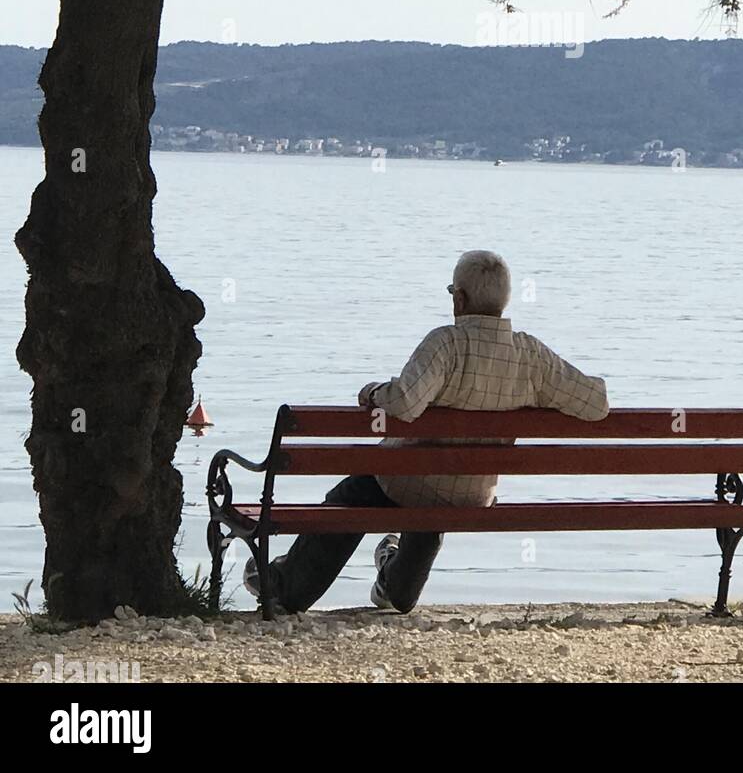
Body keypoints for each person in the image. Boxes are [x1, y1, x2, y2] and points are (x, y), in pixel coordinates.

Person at [245, 249, 609, 613]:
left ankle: (286, 587)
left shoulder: (446, 344)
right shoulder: (531, 355)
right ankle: (395, 587)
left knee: (354, 494)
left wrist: (373, 393)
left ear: (460, 298)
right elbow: (597, 404)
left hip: (408, 481)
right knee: (432, 500)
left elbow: (405, 402)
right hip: (473, 493)